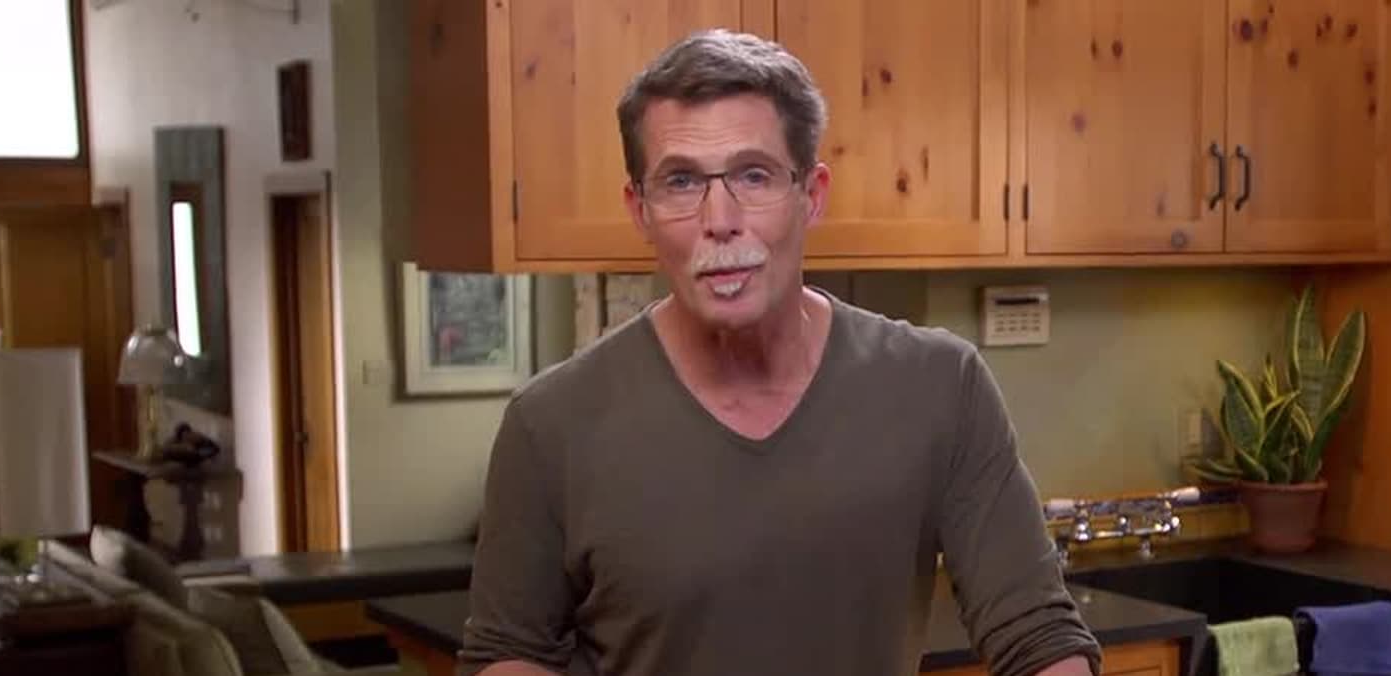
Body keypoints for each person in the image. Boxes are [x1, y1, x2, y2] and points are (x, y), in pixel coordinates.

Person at [458, 29, 1100, 676]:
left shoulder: (939, 387)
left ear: (811, 195)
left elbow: (1038, 636)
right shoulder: (551, 425)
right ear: (640, 209)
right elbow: (509, 655)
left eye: (754, 175)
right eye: (681, 181)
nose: (719, 220)